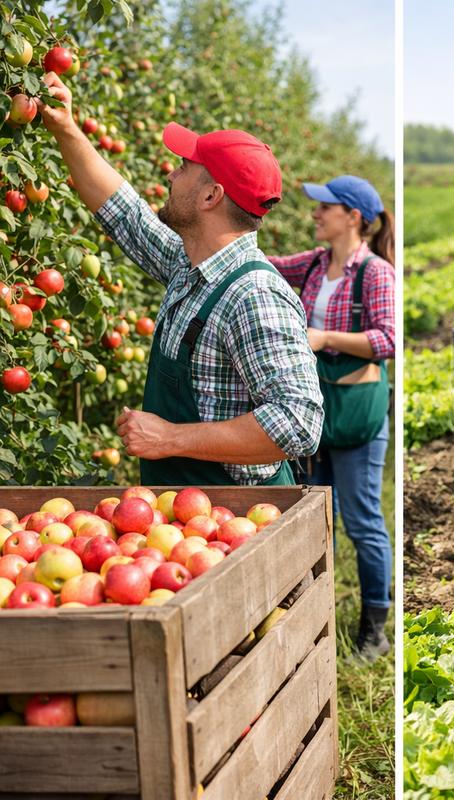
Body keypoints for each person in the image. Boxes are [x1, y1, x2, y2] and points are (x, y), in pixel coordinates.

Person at [37, 73, 322, 486]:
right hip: (184, 516)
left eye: (185, 167)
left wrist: (170, 438)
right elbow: (125, 213)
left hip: (239, 520)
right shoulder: (190, 266)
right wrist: (64, 127)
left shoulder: (253, 295)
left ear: (211, 196)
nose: (171, 176)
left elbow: (299, 422)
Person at [266, 176, 395, 660]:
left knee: (362, 521)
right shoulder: (315, 264)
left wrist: (326, 338)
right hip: (317, 409)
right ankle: (313, 618)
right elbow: (267, 266)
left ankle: (374, 631)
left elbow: (388, 339)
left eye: (325, 207)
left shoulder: (375, 272)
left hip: (356, 415)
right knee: (317, 517)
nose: (315, 214)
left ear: (353, 216)